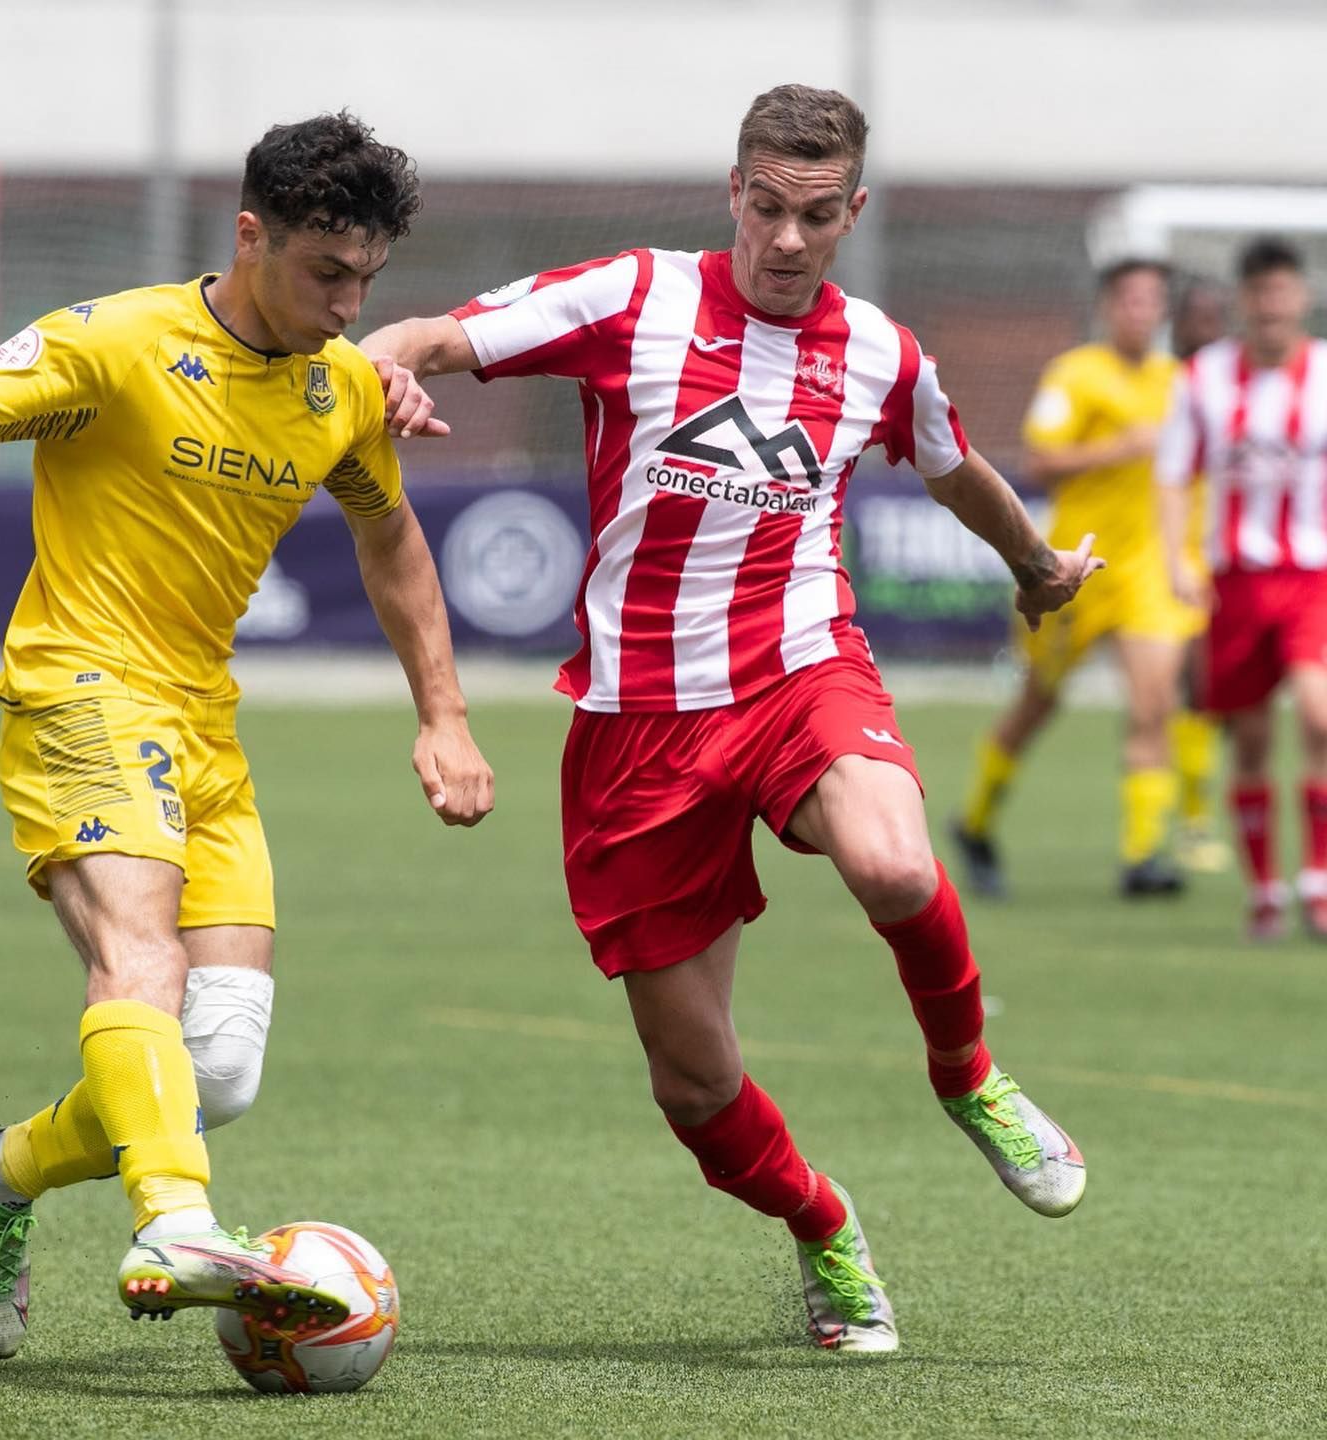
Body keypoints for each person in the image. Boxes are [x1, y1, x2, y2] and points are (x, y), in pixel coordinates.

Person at [363, 84, 1095, 1355]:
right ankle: (823, 1228)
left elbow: (954, 463)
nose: (789, 239)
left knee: (891, 859)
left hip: (796, 671)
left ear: (852, 210)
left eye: (818, 215)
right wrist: (388, 365)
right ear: (736, 192)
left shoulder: (880, 350)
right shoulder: (633, 296)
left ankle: (970, 1077)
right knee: (695, 1084)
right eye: (768, 208)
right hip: (636, 725)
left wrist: (1033, 567)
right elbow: (434, 334)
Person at [0, 112, 493, 1360]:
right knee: (141, 960)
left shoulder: (343, 392)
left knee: (216, 1070)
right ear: (251, 235)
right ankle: (174, 1221)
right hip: (81, 692)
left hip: (204, 728)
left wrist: (444, 713)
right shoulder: (113, 341)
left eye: (368, 281)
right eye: (326, 273)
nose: (347, 304)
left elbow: (392, 543)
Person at [954, 259, 1202, 898]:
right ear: (1108, 308)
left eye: (1152, 301)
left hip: (1144, 569)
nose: (1141, 312)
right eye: (1130, 300)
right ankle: (975, 822)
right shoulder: (1075, 375)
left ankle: (1144, 856)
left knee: (1154, 704)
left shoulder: (1179, 382)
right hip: (1072, 567)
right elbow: (1039, 460)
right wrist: (1119, 447)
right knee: (1038, 704)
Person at [1158, 237, 1327, 941]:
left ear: (1302, 297)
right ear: (1243, 300)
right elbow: (1173, 474)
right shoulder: (1203, 378)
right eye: (1259, 292)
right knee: (1251, 738)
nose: (1272, 304)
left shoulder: (1323, 374)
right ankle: (1264, 890)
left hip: (1313, 575)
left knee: (1320, 717)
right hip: (1234, 580)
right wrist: (1177, 560)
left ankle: (1317, 880)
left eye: (1282, 290)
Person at [1168, 277, 1233, 874]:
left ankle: (1190, 822)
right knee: (1039, 698)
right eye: (1199, 317)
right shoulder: (1165, 385)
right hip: (1149, 560)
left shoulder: (1232, 389)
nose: (1208, 328)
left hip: (1217, 559)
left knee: (1202, 690)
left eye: (1218, 317)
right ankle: (979, 818)